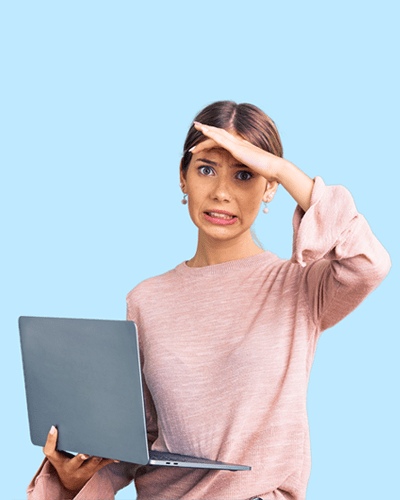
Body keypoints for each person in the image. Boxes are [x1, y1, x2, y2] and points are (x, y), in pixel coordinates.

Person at [27, 100, 391, 500]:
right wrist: (76, 477)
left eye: (244, 174)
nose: (221, 192)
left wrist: (284, 171)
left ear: (270, 187)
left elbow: (368, 263)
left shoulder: (300, 285)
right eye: (206, 170)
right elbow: (141, 437)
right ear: (183, 179)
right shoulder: (145, 300)